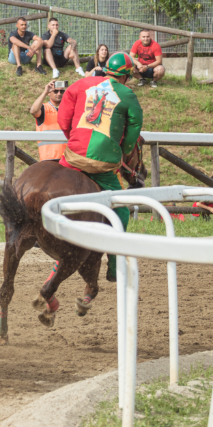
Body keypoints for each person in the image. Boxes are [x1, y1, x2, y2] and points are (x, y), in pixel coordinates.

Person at [57, 52, 143, 280]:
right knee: (121, 212)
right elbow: (134, 130)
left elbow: (63, 119)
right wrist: (122, 152)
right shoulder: (128, 95)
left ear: (106, 70)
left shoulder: (80, 84)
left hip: (72, 156)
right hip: (103, 164)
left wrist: (72, 138)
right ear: (125, 76)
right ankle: (114, 268)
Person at [30, 80, 67, 161]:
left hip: (67, 159)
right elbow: (33, 111)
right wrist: (45, 92)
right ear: (49, 93)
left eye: (61, 91)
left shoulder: (68, 109)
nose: (59, 93)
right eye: (56, 91)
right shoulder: (43, 108)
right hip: (49, 158)